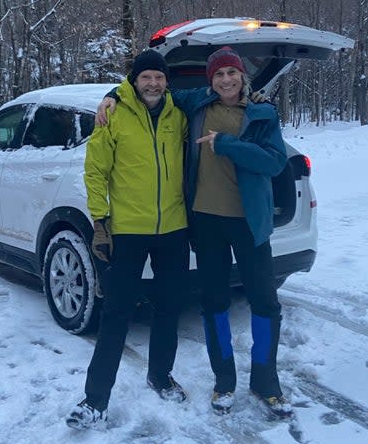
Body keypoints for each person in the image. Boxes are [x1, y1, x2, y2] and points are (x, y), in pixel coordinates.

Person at [97, 46, 292, 419]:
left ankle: (266, 382)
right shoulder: (196, 104)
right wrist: (109, 96)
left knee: (265, 302)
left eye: (232, 73)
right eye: (218, 75)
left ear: (242, 76)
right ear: (210, 80)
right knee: (215, 301)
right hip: (205, 222)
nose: (225, 80)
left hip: (250, 223)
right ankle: (224, 381)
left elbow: (275, 162)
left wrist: (228, 144)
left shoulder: (263, 112)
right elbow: (148, 89)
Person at [66, 49, 190, 430]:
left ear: (167, 81)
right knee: (116, 313)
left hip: (173, 227)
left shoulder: (179, 114)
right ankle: (95, 399)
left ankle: (160, 376)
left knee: (169, 307)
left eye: (159, 77)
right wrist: (100, 221)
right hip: (127, 229)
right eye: (145, 77)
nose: (153, 84)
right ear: (134, 81)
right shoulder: (114, 113)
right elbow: (95, 170)